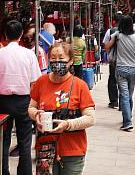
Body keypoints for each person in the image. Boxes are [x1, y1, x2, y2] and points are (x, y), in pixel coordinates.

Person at [28, 42, 96, 175]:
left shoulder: (80, 85)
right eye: (53, 58)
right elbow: (31, 107)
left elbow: (90, 118)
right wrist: (36, 114)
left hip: (72, 150)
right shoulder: (41, 82)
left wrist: (68, 124)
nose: (57, 62)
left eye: (61, 58)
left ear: (71, 61)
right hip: (44, 148)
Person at [0, 19, 41, 175]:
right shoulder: (29, 54)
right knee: (25, 141)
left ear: (4, 34)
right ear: (21, 34)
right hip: (24, 101)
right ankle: (24, 172)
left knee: (3, 140)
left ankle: (1, 171)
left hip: (3, 102)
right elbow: (34, 83)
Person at [106, 15, 135, 131]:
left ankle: (127, 122)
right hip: (134, 69)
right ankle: (129, 117)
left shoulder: (118, 35)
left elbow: (107, 47)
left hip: (121, 69)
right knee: (129, 95)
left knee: (124, 95)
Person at [102, 17, 120, 109]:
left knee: (112, 78)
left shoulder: (110, 31)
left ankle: (114, 101)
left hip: (113, 59)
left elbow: (106, 45)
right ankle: (123, 101)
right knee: (123, 80)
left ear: (114, 21)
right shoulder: (128, 31)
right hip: (124, 59)